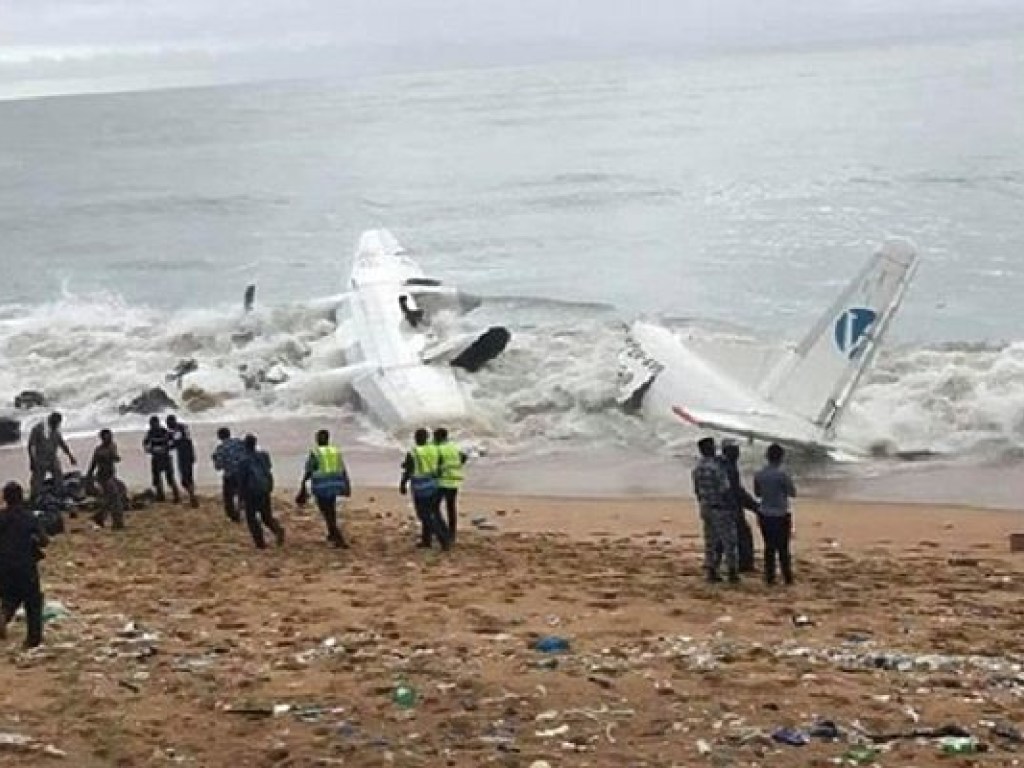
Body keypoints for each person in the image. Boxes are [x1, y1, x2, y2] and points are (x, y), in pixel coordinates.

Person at [0, 482, 48, 648]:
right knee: (33, 601)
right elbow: (44, 541)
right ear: (21, 498)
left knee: (9, 597)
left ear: (5, 498)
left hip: (4, 566)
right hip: (26, 565)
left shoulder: (1, 517)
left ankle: (4, 615)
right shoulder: (30, 518)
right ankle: (33, 639)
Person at [691, 436, 739, 584]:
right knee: (729, 541)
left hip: (706, 507)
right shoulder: (717, 468)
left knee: (710, 541)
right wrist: (732, 506)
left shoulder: (697, 469)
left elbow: (697, 491)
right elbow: (724, 489)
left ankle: (711, 571)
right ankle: (732, 572)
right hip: (720, 507)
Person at [298, 429, 351, 548]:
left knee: (326, 512)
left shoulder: (315, 453)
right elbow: (343, 469)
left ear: (317, 440)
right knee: (331, 511)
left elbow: (309, 470)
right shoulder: (335, 451)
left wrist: (303, 483)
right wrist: (347, 485)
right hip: (335, 485)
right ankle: (332, 534)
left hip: (321, 486)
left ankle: (338, 538)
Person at [399, 428, 450, 551]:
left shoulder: (413, 452)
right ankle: (427, 540)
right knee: (433, 512)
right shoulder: (434, 449)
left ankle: (442, 538)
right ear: (427, 438)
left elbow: (408, 470)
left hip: (420, 488)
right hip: (434, 485)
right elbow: (441, 464)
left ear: (416, 438)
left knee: (424, 515)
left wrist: (403, 484)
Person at [754, 443, 797, 586]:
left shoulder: (760, 474)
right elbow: (793, 493)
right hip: (780, 514)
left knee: (769, 547)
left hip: (765, 513)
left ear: (767, 457)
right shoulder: (783, 475)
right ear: (781, 458)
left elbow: (757, 493)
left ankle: (770, 577)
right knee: (783, 548)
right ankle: (787, 577)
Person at [719, 439, 760, 573]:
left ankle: (716, 563)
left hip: (721, 507)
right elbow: (737, 491)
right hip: (731, 507)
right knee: (743, 535)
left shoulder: (722, 465)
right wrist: (754, 506)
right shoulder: (729, 468)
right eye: (735, 449)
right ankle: (745, 565)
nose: (738, 452)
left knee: (721, 537)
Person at [237, 434, 284, 549]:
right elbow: (268, 468)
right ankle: (278, 530)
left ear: (245, 445)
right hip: (264, 488)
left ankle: (260, 543)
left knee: (251, 518)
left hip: (251, 492)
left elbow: (242, 480)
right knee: (266, 516)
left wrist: (240, 497)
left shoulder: (243, 461)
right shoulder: (264, 455)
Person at [27, 412, 76, 502]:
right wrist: (32, 460)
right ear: (50, 420)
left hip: (53, 458)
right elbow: (31, 445)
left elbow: (62, 443)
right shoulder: (38, 429)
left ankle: (59, 495)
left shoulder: (56, 430)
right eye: (55, 423)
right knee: (37, 481)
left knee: (59, 476)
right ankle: (34, 497)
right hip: (40, 459)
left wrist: (70, 456)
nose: (57, 425)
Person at [85, 429, 125, 530]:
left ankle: (99, 517)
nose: (110, 438)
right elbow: (94, 463)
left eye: (111, 436)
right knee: (115, 500)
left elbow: (114, 457)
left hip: (110, 476)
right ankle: (117, 524)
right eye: (108, 437)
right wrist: (89, 475)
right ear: (103, 438)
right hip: (104, 477)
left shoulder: (112, 446)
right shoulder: (100, 450)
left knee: (110, 499)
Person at [433, 427, 467, 541]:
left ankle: (442, 530)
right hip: (455, 480)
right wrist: (458, 466)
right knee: (451, 507)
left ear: (438, 437)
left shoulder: (439, 448)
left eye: (435, 437)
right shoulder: (453, 447)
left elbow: (437, 464)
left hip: (443, 481)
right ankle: (452, 533)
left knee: (434, 507)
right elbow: (464, 457)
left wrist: (437, 472)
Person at [211, 427, 247, 522]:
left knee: (228, 498)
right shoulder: (239, 442)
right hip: (242, 473)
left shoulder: (220, 449)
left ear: (219, 437)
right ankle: (242, 510)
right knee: (241, 494)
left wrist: (215, 459)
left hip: (230, 476)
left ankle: (234, 517)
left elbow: (218, 467)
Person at [143, 416, 180, 503]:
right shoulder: (149, 433)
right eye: (151, 424)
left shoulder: (164, 432)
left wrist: (166, 448)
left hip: (165, 457)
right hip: (156, 457)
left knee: (170, 478)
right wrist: (150, 450)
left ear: (158, 423)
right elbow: (145, 444)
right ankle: (160, 496)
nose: (153, 426)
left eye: (154, 424)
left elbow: (174, 442)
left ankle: (176, 496)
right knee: (156, 478)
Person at [166, 415, 199, 508]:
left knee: (185, 479)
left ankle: (193, 497)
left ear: (172, 422)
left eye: (168, 424)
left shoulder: (177, 430)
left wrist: (166, 447)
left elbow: (176, 442)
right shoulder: (183, 428)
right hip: (189, 453)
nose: (168, 426)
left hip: (184, 455)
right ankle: (192, 496)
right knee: (189, 476)